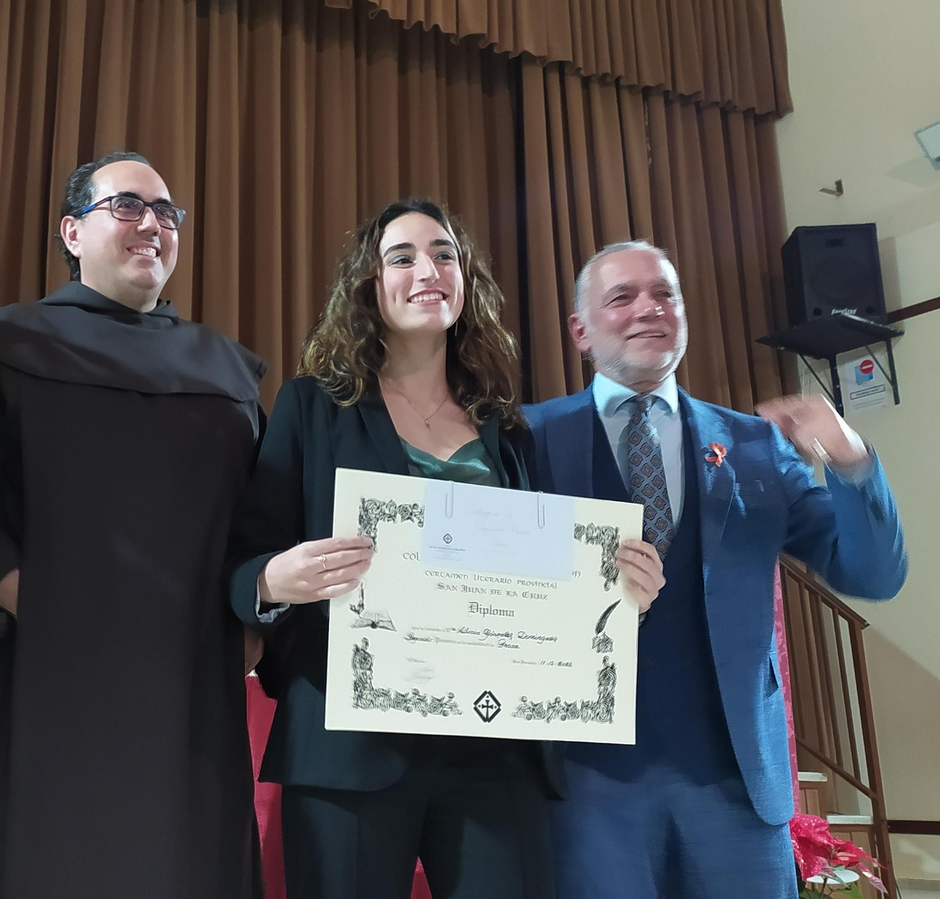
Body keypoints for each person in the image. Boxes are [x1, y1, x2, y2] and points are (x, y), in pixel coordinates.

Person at [226, 200, 665, 899]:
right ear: (370, 285)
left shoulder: (508, 430)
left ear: (466, 283)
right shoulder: (312, 406)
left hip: (496, 753)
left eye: (444, 254)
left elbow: (544, 586)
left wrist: (618, 599)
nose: (427, 270)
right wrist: (276, 577)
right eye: (402, 257)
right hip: (348, 748)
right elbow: (244, 562)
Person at [525, 240, 907, 898]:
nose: (650, 308)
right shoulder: (524, 438)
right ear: (580, 329)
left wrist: (849, 457)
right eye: (622, 296)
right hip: (583, 788)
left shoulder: (757, 445)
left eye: (665, 294)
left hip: (735, 784)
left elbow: (872, 575)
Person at [0, 151, 267, 899]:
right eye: (126, 206)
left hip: (191, 685)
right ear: (72, 232)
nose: (152, 223)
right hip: (52, 676)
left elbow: (261, 521)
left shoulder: (228, 372)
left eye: (166, 212)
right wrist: (37, 602)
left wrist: (253, 621)